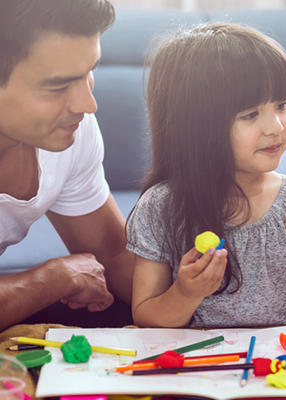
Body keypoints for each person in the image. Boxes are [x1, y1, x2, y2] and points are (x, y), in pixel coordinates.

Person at [127, 23, 286, 330]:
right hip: (202, 372)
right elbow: (146, 319)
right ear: (198, 127)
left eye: (281, 105)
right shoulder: (160, 208)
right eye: (250, 114)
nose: (276, 127)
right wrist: (186, 292)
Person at [0, 0, 134, 331]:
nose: (88, 105)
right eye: (58, 87)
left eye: (89, 72)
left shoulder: (71, 131)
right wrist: (52, 279)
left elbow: (113, 258)